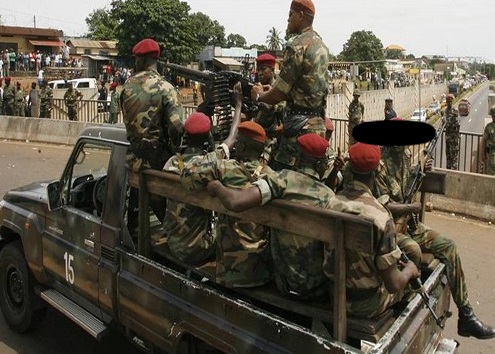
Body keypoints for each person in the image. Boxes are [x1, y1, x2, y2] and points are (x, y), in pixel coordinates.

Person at [374, 121, 495, 339]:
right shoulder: (380, 165)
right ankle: (406, 307)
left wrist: (420, 171)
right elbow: (385, 205)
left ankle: (466, 315)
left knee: (449, 246)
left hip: (410, 226)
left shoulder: (405, 158)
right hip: (392, 231)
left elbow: (407, 187)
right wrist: (410, 207)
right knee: (413, 251)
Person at [206, 133, 336, 299]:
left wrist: (217, 187)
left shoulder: (281, 180)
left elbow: (235, 202)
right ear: (319, 164)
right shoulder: (330, 196)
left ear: (297, 158)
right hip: (318, 288)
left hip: (284, 283)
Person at [323, 142, 420, 318]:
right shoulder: (381, 215)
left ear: (349, 170)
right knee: (409, 288)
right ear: (375, 174)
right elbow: (393, 284)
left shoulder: (332, 203)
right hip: (366, 305)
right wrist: (410, 270)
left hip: (333, 295)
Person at [180, 119, 272, 288]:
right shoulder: (272, 177)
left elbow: (187, 176)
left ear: (241, 147)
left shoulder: (224, 169)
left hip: (229, 271)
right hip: (261, 272)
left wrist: (223, 150)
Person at [251, 0, 329, 171]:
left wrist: (258, 96)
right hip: (317, 125)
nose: (287, 20)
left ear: (300, 16)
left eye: (290, 14)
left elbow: (280, 93)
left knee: (287, 183)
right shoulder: (322, 45)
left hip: (298, 130)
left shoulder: (297, 45)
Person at [120, 37, 185, 229]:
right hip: (159, 164)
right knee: (167, 213)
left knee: (135, 209)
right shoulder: (166, 89)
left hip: (134, 160)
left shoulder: (127, 86)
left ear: (141, 60)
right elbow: (176, 128)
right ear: (155, 59)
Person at [444, 93, 460, 170]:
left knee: (454, 157)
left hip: (454, 137)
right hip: (448, 137)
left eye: (450, 101)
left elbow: (457, 124)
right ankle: (448, 170)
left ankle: (454, 172)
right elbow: (444, 123)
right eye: (448, 101)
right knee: (448, 156)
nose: (449, 103)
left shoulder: (455, 111)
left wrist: (447, 123)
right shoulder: (445, 111)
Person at [483, 106, 495, 175]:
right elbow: (484, 141)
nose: (493, 117)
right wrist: (483, 155)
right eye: (492, 116)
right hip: (490, 156)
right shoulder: (488, 127)